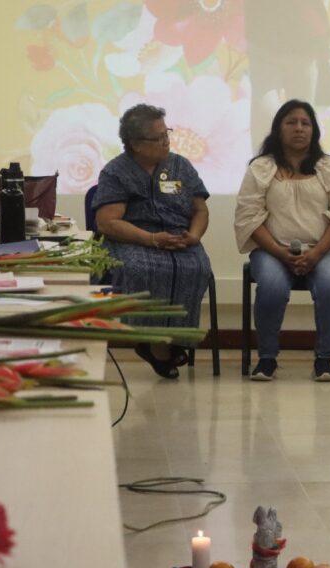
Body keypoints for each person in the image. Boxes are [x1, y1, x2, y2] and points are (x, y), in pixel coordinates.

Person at [233, 100, 330, 382]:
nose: (299, 128)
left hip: (324, 250)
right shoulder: (261, 168)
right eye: (291, 122)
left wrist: (316, 254)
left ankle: (324, 360)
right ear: (278, 128)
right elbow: (248, 217)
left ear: (314, 130)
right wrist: (279, 252)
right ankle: (267, 359)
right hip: (272, 250)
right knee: (272, 286)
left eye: (305, 123)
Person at [93, 103, 212, 380]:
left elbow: (200, 210)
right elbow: (107, 222)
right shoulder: (116, 172)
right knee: (140, 268)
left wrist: (194, 235)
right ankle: (151, 342)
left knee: (197, 267)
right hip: (133, 238)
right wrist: (151, 239)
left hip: (179, 236)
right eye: (158, 138)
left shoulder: (181, 166)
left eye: (166, 133)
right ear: (135, 144)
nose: (166, 141)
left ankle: (176, 338)